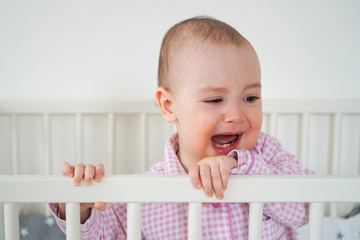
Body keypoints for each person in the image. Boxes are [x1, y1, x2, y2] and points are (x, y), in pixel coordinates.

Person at [50, 16, 314, 239]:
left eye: (250, 98)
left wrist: (242, 165)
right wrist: (78, 206)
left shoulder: (268, 156)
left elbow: (306, 207)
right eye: (214, 100)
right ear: (168, 106)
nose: (236, 115)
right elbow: (105, 233)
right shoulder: (146, 194)